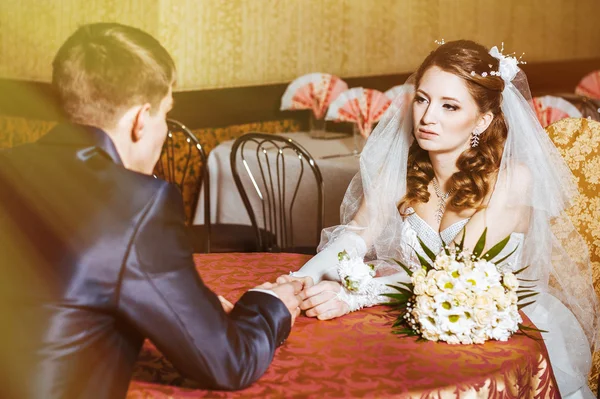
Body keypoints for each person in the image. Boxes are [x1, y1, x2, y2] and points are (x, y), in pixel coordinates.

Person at [0, 22, 304, 399]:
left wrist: (194, 305)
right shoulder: (138, 202)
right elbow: (229, 362)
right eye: (166, 113)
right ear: (141, 119)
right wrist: (270, 305)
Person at [280, 40, 599, 398]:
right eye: (422, 99)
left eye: (449, 106)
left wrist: (354, 295)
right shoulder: (402, 170)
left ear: (482, 120)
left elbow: (449, 273)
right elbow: (355, 234)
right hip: (414, 319)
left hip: (492, 332)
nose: (428, 117)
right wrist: (295, 283)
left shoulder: (512, 180)